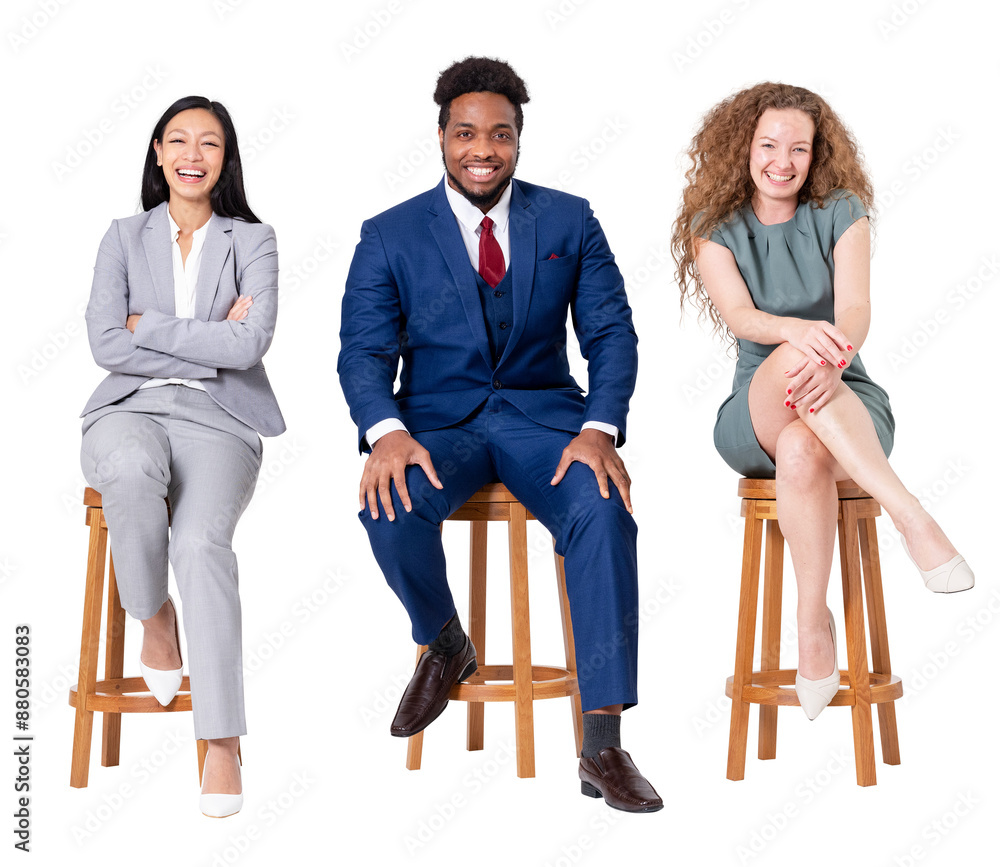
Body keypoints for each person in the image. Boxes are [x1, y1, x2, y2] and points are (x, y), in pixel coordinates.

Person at [338, 57, 661, 811]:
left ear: (519, 138)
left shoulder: (570, 219)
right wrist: (384, 429)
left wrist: (600, 426)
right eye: (465, 133)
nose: (482, 148)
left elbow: (612, 332)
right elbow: (363, 350)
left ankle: (603, 742)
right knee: (387, 503)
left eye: (500, 134)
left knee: (605, 511)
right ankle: (444, 638)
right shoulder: (389, 234)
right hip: (435, 427)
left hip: (546, 421)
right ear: (442, 137)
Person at [671, 82, 974, 720]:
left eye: (800, 149)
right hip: (757, 405)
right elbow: (742, 317)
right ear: (742, 150)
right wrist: (801, 336)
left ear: (817, 155)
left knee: (806, 449)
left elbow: (856, 311)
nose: (783, 161)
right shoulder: (715, 227)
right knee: (790, 362)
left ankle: (812, 623)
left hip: (844, 394)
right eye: (769, 146)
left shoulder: (842, 210)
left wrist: (832, 355)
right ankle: (911, 515)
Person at [80, 95, 284, 817]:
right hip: (127, 408)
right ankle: (153, 617)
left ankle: (222, 739)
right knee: (131, 471)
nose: (192, 154)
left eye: (209, 143)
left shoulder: (253, 240)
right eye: (178, 141)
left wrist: (151, 325)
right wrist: (202, 333)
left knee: (200, 543)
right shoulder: (122, 237)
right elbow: (107, 342)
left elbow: (248, 346)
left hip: (222, 418)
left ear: (225, 159)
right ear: (158, 153)